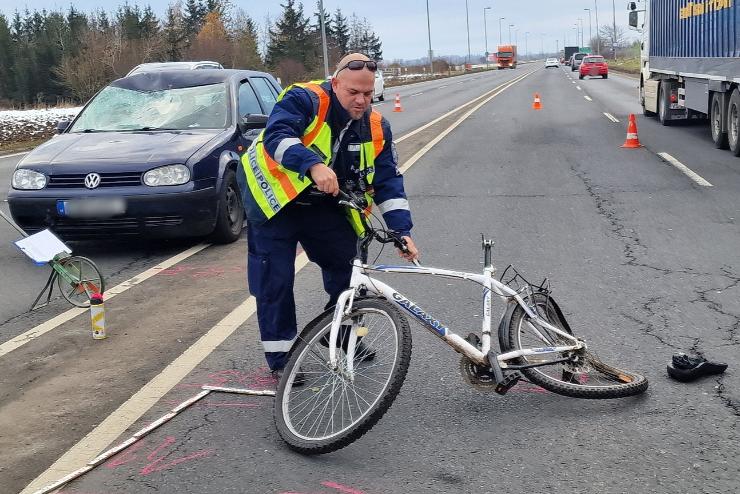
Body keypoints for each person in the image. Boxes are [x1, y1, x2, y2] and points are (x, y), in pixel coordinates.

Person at [240, 53, 419, 377]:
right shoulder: (304, 99)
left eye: (368, 93)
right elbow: (277, 136)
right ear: (335, 83)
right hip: (274, 201)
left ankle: (341, 335)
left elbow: (388, 181)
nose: (361, 100)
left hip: (324, 203)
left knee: (350, 268)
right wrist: (312, 164)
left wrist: (401, 230)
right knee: (274, 281)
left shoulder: (377, 127)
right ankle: (282, 359)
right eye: (353, 92)